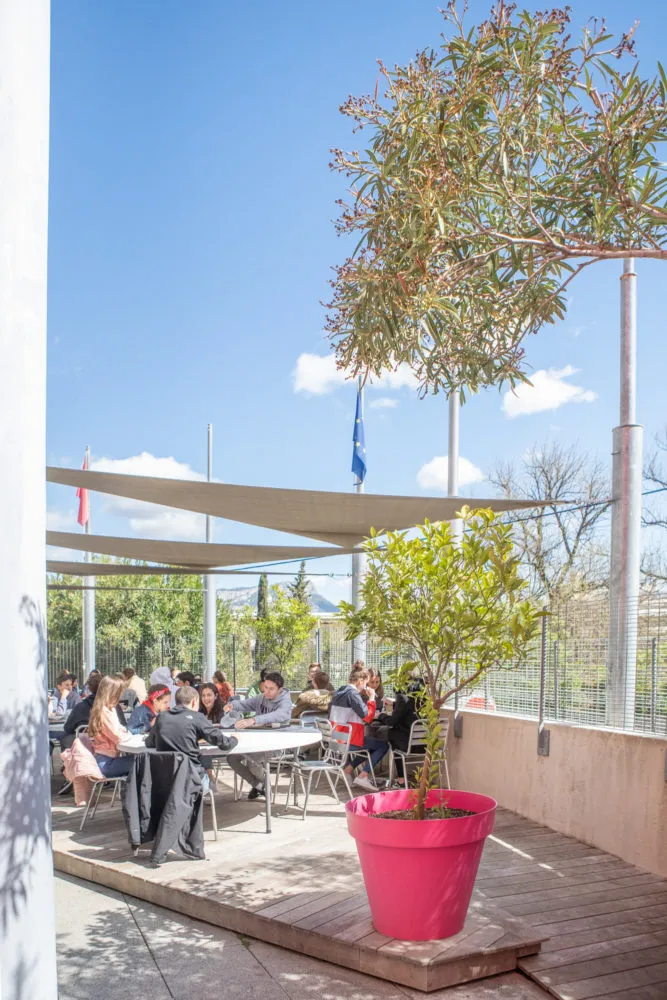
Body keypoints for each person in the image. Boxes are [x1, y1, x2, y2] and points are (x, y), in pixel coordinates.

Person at [146, 686, 238, 794]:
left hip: (165, 780)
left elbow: (150, 743)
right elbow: (224, 743)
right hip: (191, 779)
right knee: (208, 779)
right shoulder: (197, 717)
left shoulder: (161, 717)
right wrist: (234, 739)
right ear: (194, 702)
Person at [223, 671, 292, 798]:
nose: (267, 691)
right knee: (231, 758)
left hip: (276, 745)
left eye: (271, 689)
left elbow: (277, 715)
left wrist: (254, 720)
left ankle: (263, 787)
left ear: (280, 690)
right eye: (265, 687)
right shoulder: (261, 697)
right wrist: (232, 705)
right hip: (257, 742)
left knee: (252, 761)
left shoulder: (285, 703)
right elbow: (245, 704)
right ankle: (259, 786)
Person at [330, 666, 387, 793]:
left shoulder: (340, 691)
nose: (366, 686)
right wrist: (371, 698)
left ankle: (348, 770)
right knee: (383, 746)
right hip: (348, 742)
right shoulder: (353, 694)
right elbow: (367, 718)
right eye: (366, 683)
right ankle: (363, 775)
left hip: (336, 740)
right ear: (360, 681)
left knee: (369, 745)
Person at [59, 670, 128, 751]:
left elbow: (68, 728)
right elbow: (123, 725)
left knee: (66, 738)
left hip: (84, 749)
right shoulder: (112, 707)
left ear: (90, 688)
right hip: (109, 749)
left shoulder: (81, 706)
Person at [376, 677, 423, 786]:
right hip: (426, 745)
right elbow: (408, 709)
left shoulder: (402, 697)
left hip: (409, 746)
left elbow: (392, 721)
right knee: (395, 734)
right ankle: (401, 779)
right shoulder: (423, 698)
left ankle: (401, 778)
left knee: (392, 733)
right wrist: (394, 704)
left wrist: (380, 716)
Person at [88, 674, 133, 778]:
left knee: (141, 760)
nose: (121, 695)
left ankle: (131, 792)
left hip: (107, 760)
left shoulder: (109, 709)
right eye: (120, 692)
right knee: (143, 762)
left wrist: (124, 732)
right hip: (106, 763)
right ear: (113, 693)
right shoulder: (104, 712)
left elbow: (119, 728)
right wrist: (128, 734)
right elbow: (118, 736)